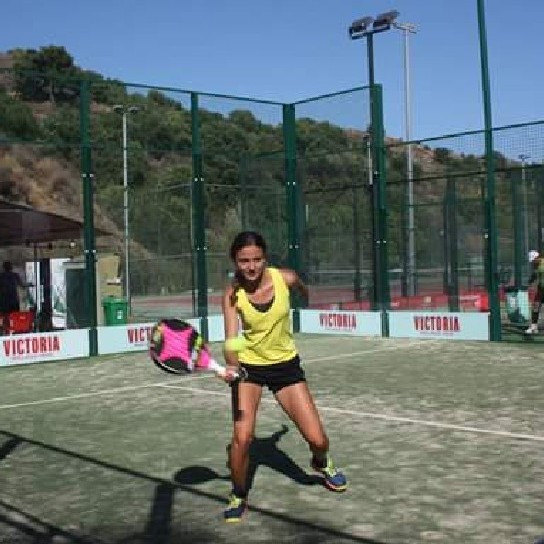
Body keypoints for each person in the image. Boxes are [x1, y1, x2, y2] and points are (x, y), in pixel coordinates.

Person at [221, 231, 347, 523]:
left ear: (265, 258)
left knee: (318, 440)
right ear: (235, 261)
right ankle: (238, 493)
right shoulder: (232, 294)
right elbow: (231, 339)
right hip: (249, 369)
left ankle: (321, 462)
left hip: (286, 367)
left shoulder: (285, 279)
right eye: (244, 261)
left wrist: (303, 293)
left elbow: (300, 285)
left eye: (257, 259)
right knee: (241, 439)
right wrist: (232, 366)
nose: (251, 267)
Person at [0, 261, 23, 331]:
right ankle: (14, 330)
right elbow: (21, 285)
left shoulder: (1, 276)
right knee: (15, 317)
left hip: (4, 301)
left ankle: (6, 330)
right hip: (13, 301)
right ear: (11, 267)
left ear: (3, 268)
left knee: (5, 317)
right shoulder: (15, 275)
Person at [525, 250, 544, 334]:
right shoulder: (537, 266)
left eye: (533, 260)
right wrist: (530, 281)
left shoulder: (542, 265)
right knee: (535, 306)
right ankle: (533, 327)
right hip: (541, 289)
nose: (532, 262)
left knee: (536, 306)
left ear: (537, 258)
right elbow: (535, 275)